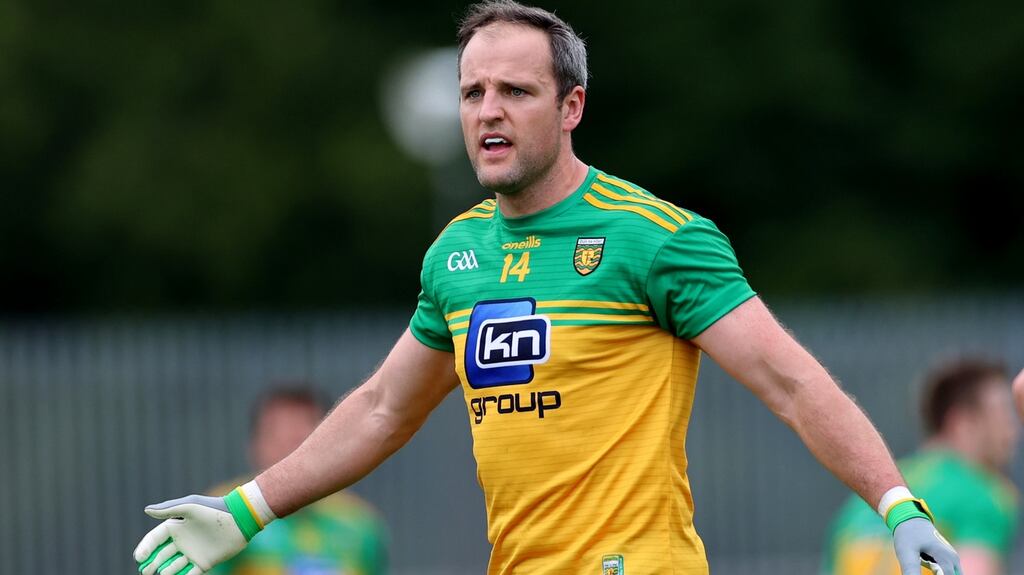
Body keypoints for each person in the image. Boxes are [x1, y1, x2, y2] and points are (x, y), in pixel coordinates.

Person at [133, 2, 961, 574]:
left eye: (515, 92)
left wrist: (897, 504)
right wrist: (246, 509)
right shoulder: (455, 254)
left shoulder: (656, 237)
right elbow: (385, 407)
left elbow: (791, 380)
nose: (488, 111)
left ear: (571, 106)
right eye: (472, 92)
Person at [823, 358, 1019, 575]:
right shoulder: (982, 493)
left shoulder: (868, 499)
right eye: (1003, 413)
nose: (1012, 429)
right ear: (962, 422)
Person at [207, 386, 389, 575]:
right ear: (255, 444)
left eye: (300, 440)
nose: (290, 455)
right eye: (277, 437)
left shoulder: (359, 524)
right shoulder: (223, 515)